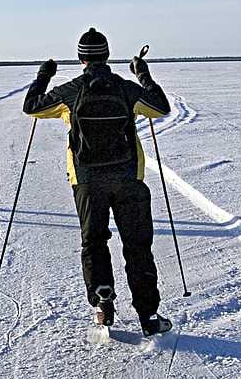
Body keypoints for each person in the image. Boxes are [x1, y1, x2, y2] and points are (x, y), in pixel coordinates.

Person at [23, 27, 173, 336]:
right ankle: (149, 315)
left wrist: (44, 75)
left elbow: (32, 107)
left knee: (94, 241)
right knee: (137, 245)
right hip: (129, 176)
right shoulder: (125, 88)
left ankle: (102, 299)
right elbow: (160, 108)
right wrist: (143, 73)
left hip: (87, 179)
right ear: (106, 55)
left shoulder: (72, 91)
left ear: (80, 58)